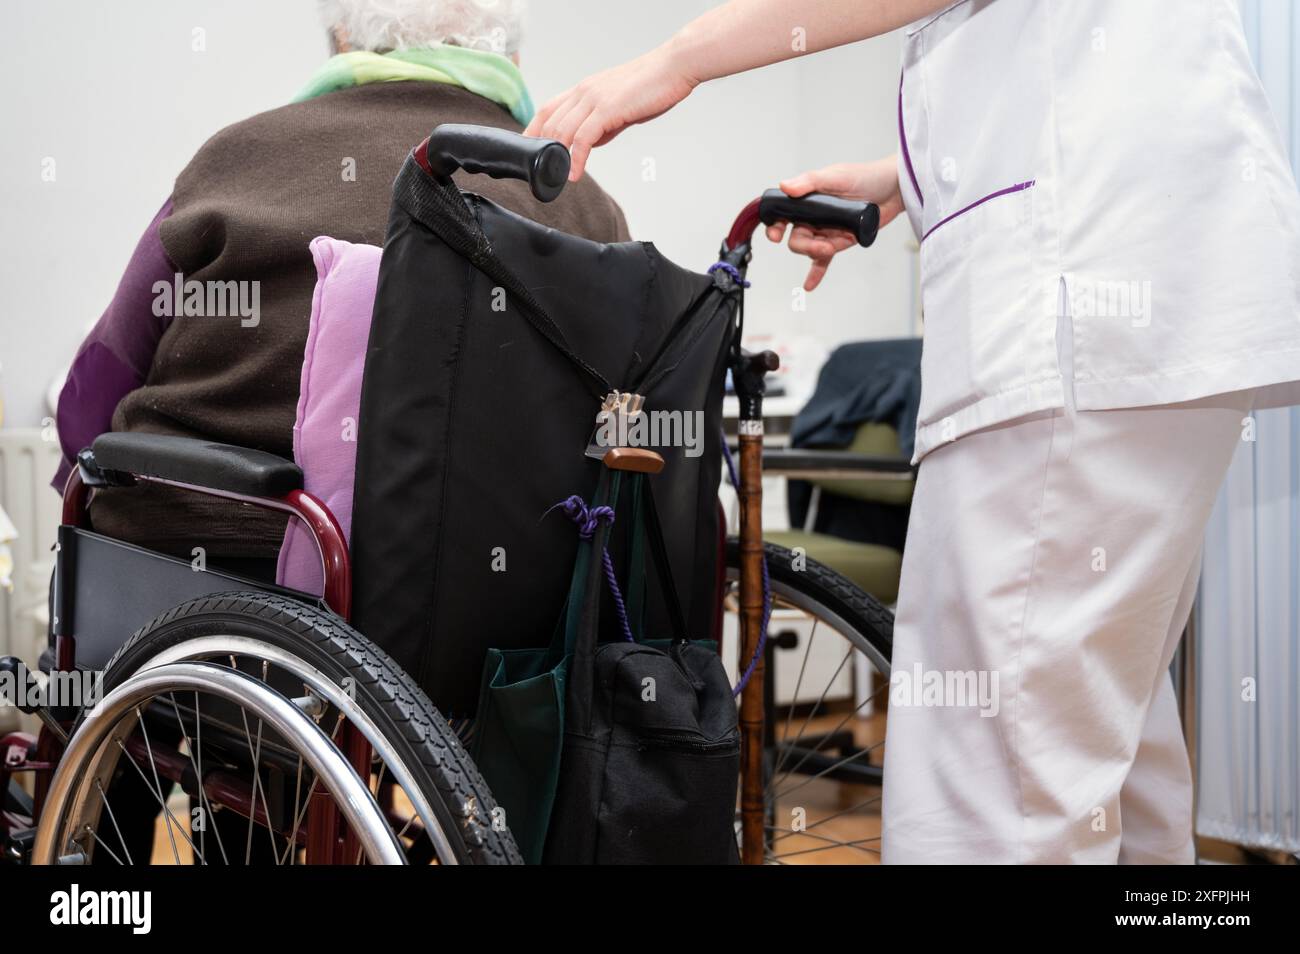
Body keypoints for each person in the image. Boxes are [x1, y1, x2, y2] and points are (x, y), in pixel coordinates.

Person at [528, 0, 1300, 863]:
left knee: (996, 791)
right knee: (1101, 748)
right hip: (1147, 298)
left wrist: (675, 58)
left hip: (1080, 307)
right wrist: (906, 177)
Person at [54, 0, 629, 578]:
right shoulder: (585, 206)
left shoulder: (232, 158)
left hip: (190, 565)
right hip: (479, 591)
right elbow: (619, 431)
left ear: (342, 43)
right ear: (513, 57)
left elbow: (95, 388)